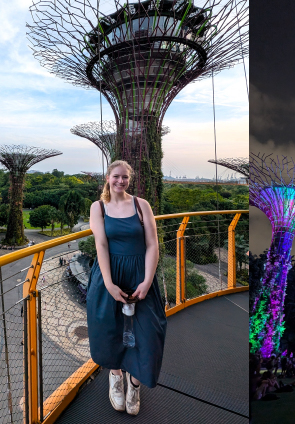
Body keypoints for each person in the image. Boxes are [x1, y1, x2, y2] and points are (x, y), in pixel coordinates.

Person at [87, 160, 166, 416]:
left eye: (125, 178)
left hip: (140, 276)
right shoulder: (98, 207)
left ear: (129, 180)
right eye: (116, 176)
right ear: (108, 177)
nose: (120, 181)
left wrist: (147, 279)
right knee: (110, 329)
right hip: (110, 274)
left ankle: (134, 384)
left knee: (148, 332)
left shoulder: (141, 205)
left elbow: (152, 244)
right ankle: (115, 378)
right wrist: (109, 284)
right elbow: (101, 245)